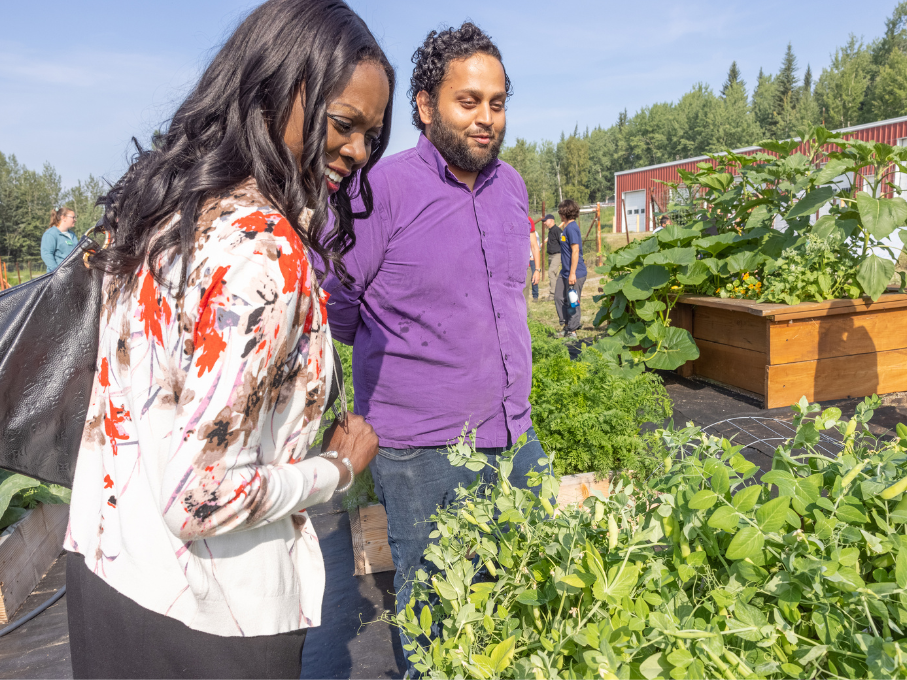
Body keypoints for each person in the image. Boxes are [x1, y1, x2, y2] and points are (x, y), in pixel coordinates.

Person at [64, 2, 392, 678]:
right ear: (276, 89)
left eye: (371, 134)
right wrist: (336, 468)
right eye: (345, 124)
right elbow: (200, 496)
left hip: (108, 570)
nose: (359, 151)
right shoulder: (263, 252)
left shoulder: (164, 213)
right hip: (211, 614)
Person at [321, 22, 549, 674]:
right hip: (423, 451)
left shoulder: (512, 188)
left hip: (516, 439)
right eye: (468, 101)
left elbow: (507, 296)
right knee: (438, 626)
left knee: (523, 605)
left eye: (497, 103)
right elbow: (337, 308)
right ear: (425, 107)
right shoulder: (379, 192)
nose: (486, 119)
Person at [556, 199, 587, 338]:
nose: (559, 214)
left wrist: (572, 273)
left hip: (575, 272)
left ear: (564, 213)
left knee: (572, 301)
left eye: (560, 211)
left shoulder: (572, 228)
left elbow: (575, 251)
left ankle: (573, 331)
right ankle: (566, 325)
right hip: (565, 272)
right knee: (559, 297)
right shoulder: (567, 228)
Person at [40, 206, 78, 272]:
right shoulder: (51, 234)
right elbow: (46, 255)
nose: (75, 220)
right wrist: (57, 272)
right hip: (58, 277)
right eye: (73, 217)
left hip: (73, 275)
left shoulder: (72, 234)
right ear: (63, 218)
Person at [543, 213, 562, 304]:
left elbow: (563, 242)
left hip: (557, 255)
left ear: (551, 220)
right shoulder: (550, 231)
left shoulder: (557, 230)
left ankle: (552, 295)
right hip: (551, 256)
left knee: (551, 273)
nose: (544, 223)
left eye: (545, 221)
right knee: (554, 275)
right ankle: (558, 293)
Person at [528, 216, 541, 300]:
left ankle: (535, 295)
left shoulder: (535, 234)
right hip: (528, 258)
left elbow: (535, 246)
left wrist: (533, 257)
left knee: (534, 279)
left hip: (531, 259)